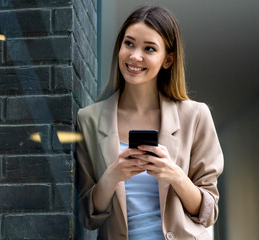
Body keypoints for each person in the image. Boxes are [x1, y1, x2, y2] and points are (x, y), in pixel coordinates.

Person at [75, 5, 224, 240]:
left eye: (150, 48)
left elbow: (208, 212)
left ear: (168, 60)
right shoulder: (89, 120)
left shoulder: (196, 116)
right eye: (129, 43)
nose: (135, 56)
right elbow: (84, 215)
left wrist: (173, 174)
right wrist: (113, 175)